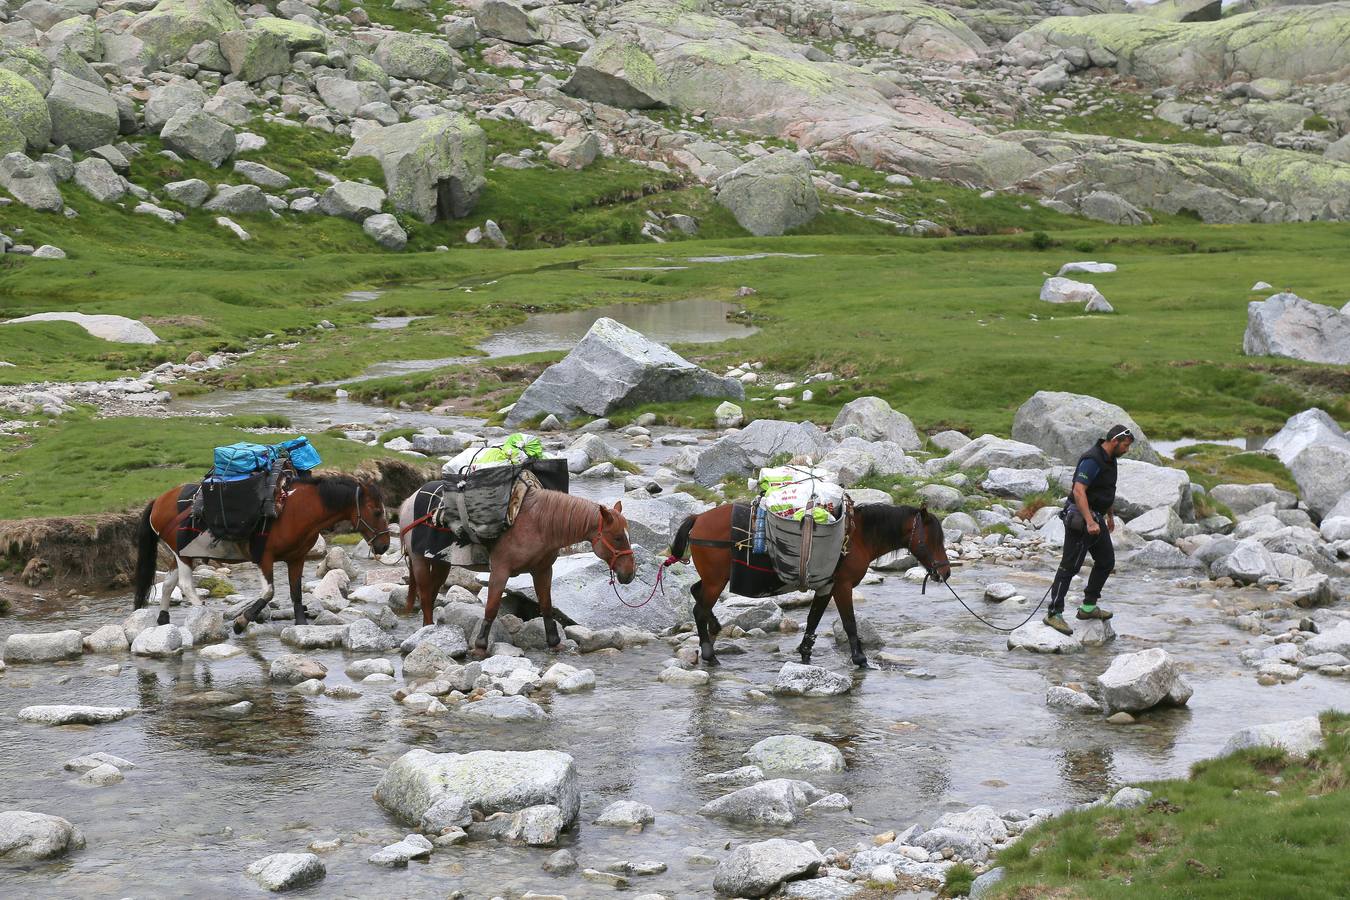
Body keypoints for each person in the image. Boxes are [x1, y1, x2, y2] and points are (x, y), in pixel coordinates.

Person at [1043, 424, 1135, 635]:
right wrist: (1090, 521)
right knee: (1069, 566)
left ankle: (1088, 607)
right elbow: (1079, 490)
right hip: (1080, 517)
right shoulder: (1092, 460)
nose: (1126, 450)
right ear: (1114, 441)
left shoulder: (1110, 459)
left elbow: (1105, 489)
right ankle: (1054, 613)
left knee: (1106, 561)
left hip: (1096, 517)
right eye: (1125, 445)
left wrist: (1109, 516)